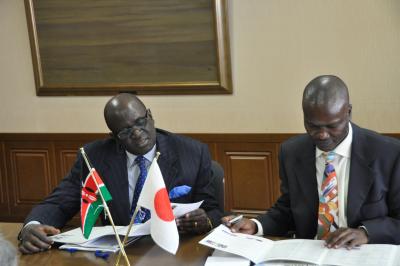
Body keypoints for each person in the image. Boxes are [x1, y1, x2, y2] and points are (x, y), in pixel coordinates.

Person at [19, 93, 222, 254]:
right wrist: (32, 226)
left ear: (150, 116)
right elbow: (59, 202)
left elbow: (213, 210)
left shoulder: (192, 153)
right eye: (125, 131)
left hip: (174, 252)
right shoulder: (94, 157)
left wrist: (204, 219)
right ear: (114, 136)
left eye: (140, 122)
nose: (136, 133)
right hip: (119, 254)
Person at [223, 75, 400, 249]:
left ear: (348, 112)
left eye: (332, 126)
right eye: (313, 125)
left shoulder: (388, 153)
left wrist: (366, 232)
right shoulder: (292, 152)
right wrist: (255, 226)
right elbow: (288, 209)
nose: (322, 135)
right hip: (309, 254)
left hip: (364, 254)